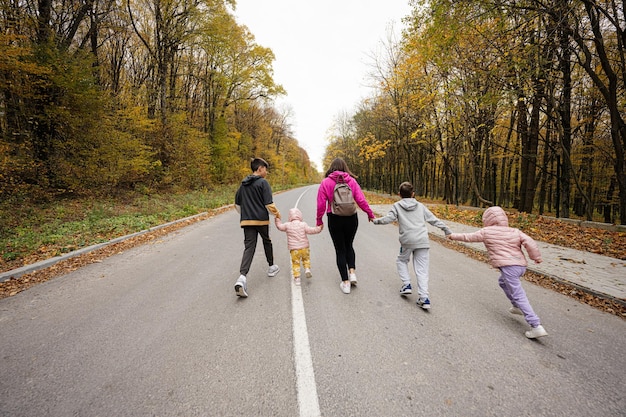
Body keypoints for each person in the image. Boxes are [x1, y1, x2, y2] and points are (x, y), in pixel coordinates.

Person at [447, 206, 548, 339]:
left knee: (519, 294)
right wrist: (536, 257)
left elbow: (468, 237)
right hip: (520, 266)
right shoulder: (514, 231)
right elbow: (529, 242)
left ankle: (536, 325)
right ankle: (516, 306)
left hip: (509, 267)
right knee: (502, 282)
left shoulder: (486, 231)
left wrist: (452, 236)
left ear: (487, 220)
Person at [372, 182, 451, 310]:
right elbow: (433, 219)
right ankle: (424, 298)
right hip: (422, 240)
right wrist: (446, 230)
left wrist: (376, 221)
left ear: (399, 194)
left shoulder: (397, 206)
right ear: (413, 194)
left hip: (407, 240)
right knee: (422, 270)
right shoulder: (420, 206)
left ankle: (407, 284)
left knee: (401, 260)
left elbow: (388, 219)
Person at [316, 157, 375, 294]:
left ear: (331, 168)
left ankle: (345, 282)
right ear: (345, 168)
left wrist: (319, 220)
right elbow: (360, 199)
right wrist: (369, 213)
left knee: (340, 249)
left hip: (334, 218)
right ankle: (352, 272)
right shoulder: (351, 181)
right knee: (349, 245)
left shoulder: (325, 182)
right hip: (351, 218)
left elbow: (320, 205)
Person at [234, 157, 281, 298]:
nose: (266, 172)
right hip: (261, 220)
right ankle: (271, 267)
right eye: (265, 169)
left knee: (249, 247)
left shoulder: (243, 185)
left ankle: (242, 278)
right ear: (259, 168)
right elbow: (269, 204)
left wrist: (246, 214)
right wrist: (277, 214)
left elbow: (237, 205)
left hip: (246, 221)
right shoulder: (263, 183)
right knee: (266, 241)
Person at [275, 207, 323, 285]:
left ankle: (297, 279)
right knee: (306, 259)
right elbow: (311, 230)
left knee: (296, 263)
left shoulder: (287, 225)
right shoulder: (303, 224)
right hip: (304, 248)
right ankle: (307, 269)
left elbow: (279, 227)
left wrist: (277, 219)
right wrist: (319, 228)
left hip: (294, 249)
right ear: (300, 216)